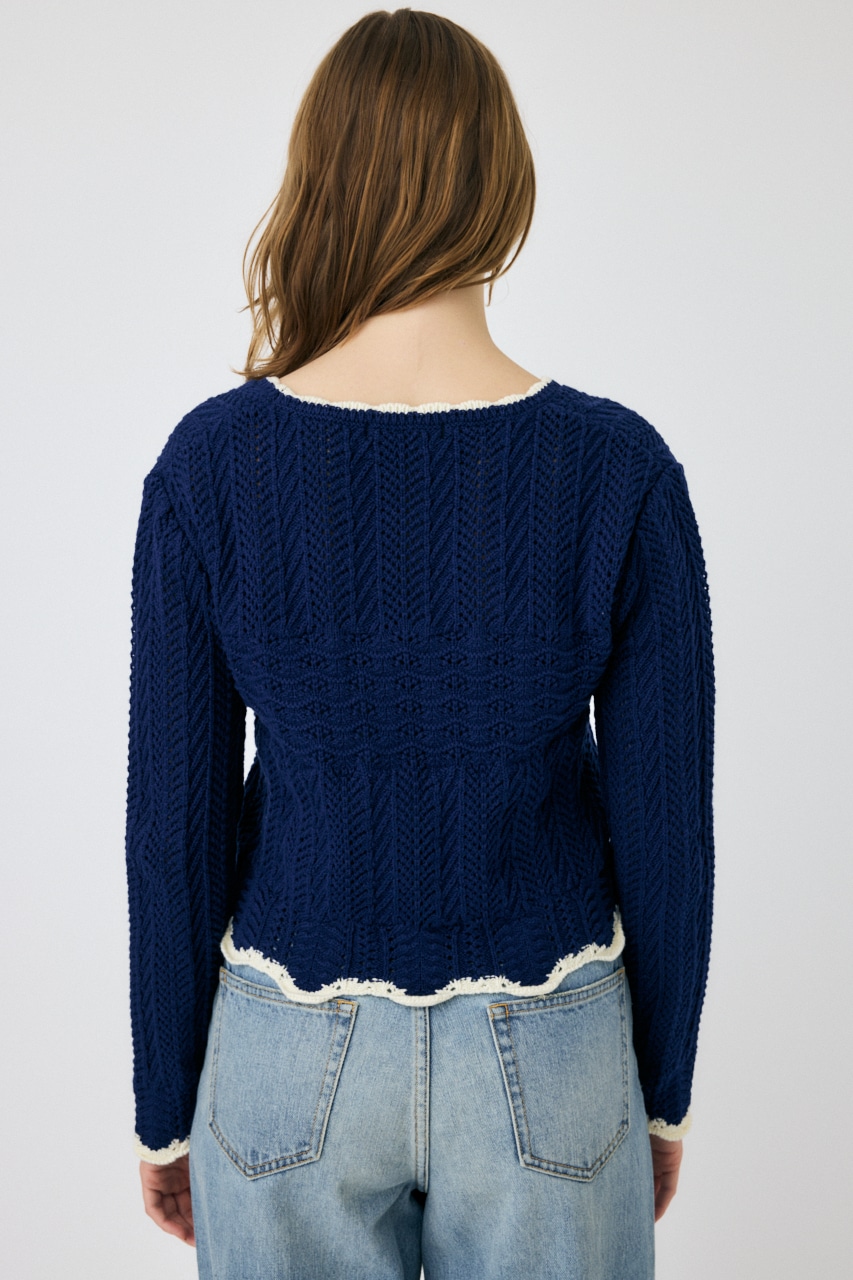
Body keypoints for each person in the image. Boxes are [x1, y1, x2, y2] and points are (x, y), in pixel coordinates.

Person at [126, 9, 714, 1278]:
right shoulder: (615, 469)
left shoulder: (212, 466)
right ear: (502, 185)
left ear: (318, 180)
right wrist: (658, 1093)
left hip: (283, 1055)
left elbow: (174, 827)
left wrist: (165, 1103)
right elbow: (668, 825)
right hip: (552, 1052)